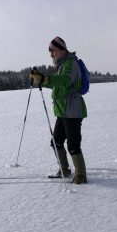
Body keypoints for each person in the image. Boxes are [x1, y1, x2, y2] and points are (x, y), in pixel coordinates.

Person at [30, 36, 87, 184]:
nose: (51, 54)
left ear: (62, 50)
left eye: (53, 51)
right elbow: (57, 83)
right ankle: (64, 170)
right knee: (56, 142)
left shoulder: (71, 63)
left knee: (73, 145)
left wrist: (44, 79)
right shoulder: (63, 64)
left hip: (73, 110)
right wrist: (40, 79)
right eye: (50, 52)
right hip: (62, 110)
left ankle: (81, 176)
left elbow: (64, 81)